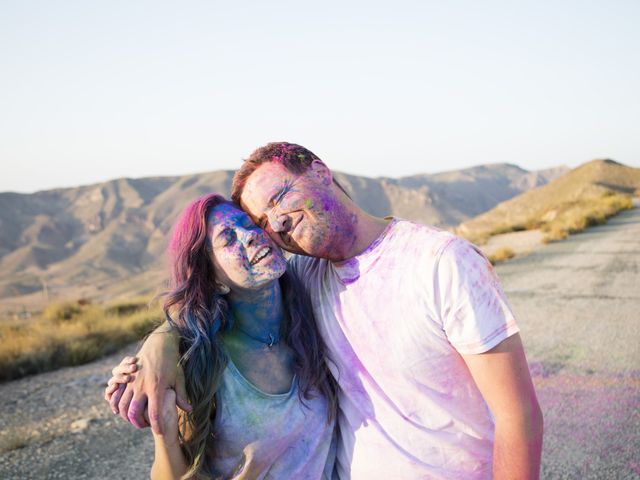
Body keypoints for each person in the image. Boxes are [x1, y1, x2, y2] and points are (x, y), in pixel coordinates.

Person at [109, 143, 543, 479]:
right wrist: (160, 345)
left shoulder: (440, 261)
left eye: (279, 196)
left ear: (319, 170)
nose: (273, 225)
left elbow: (517, 414)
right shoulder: (304, 278)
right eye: (260, 221)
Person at [105, 193, 336, 479]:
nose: (250, 236)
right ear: (213, 279)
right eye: (228, 238)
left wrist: (161, 337)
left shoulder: (314, 305)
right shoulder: (204, 363)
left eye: (249, 223)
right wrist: (163, 430)